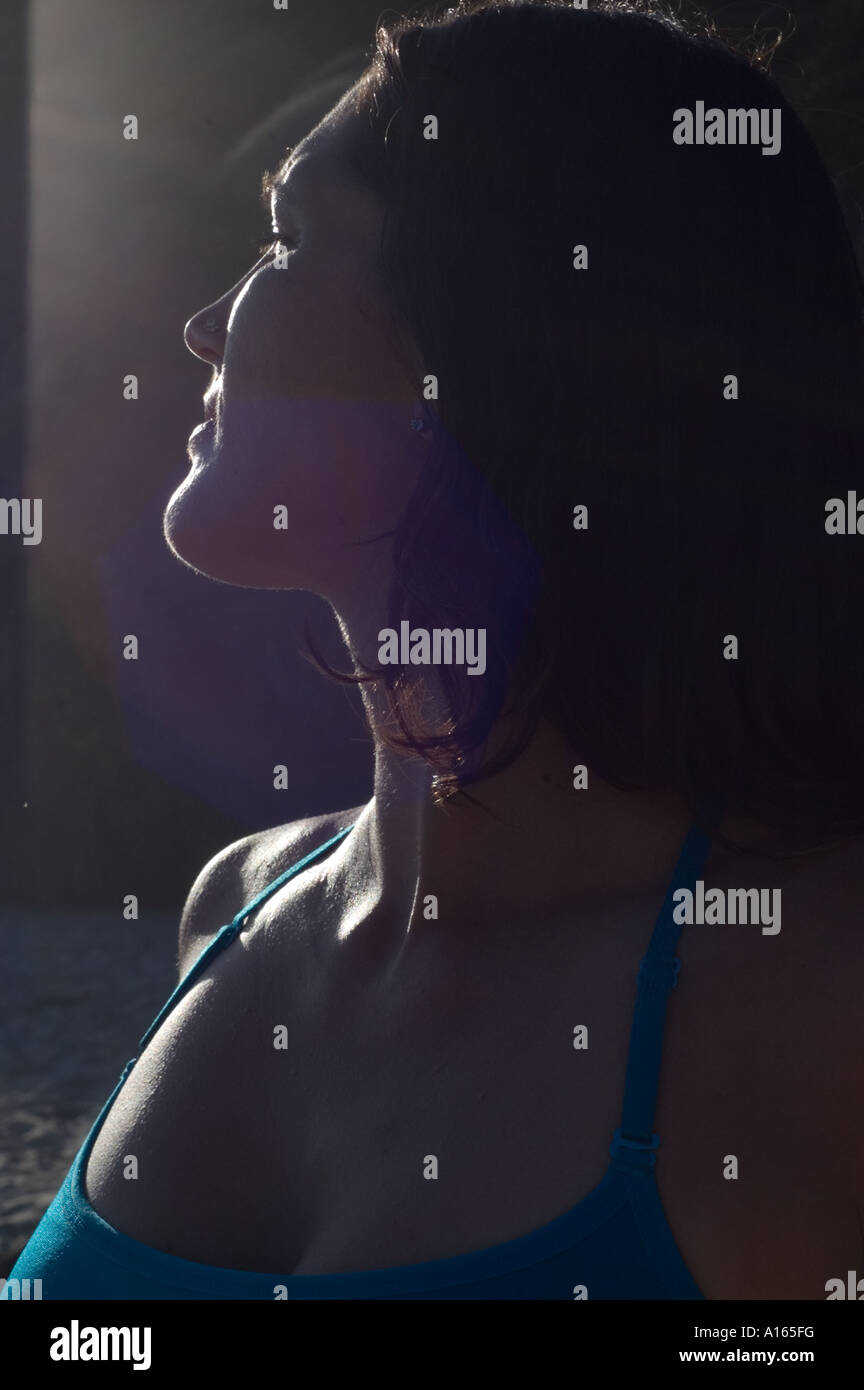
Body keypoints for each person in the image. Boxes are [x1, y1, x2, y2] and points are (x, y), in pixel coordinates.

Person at [6, 0, 864, 1300]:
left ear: (482, 330)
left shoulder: (810, 982)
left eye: (284, 239)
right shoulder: (232, 905)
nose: (202, 327)